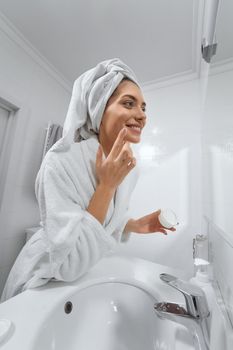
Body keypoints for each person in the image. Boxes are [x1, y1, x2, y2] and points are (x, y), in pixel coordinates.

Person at [0, 58, 175, 303]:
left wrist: (135, 225)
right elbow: (69, 262)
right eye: (129, 103)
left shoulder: (129, 167)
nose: (142, 115)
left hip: (81, 275)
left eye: (144, 108)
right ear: (99, 109)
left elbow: (106, 220)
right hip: (43, 279)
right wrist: (107, 186)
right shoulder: (60, 162)